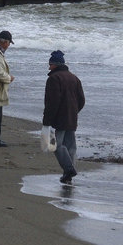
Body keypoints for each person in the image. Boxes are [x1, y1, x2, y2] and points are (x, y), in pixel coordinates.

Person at [42, 50, 85, 184]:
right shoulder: (74, 78)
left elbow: (52, 102)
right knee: (70, 146)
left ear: (55, 64)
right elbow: (82, 100)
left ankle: (68, 169)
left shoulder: (54, 79)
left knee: (56, 145)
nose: (49, 67)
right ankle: (68, 175)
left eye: (50, 64)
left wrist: (47, 120)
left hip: (59, 118)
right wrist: (74, 111)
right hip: (72, 117)